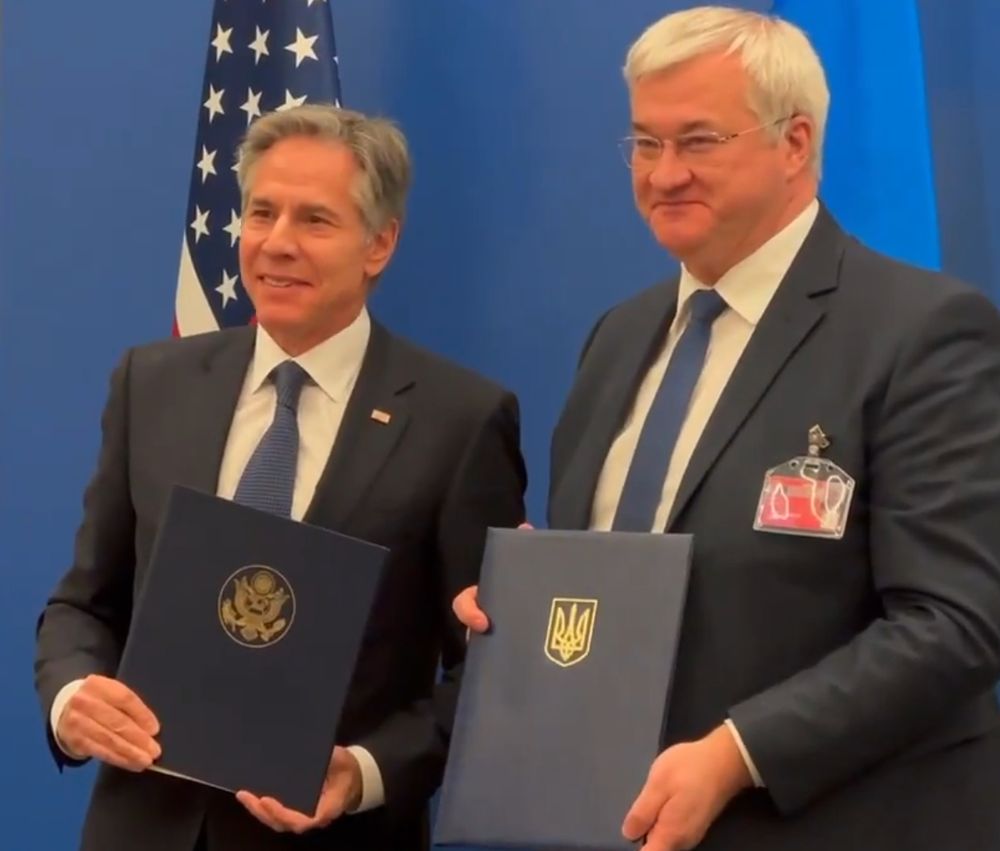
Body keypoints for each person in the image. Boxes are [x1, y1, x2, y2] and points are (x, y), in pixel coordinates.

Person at [454, 7, 1000, 850]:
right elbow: (622, 595)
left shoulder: (920, 331)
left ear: (794, 143)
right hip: (621, 822)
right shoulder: (618, 337)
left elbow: (954, 622)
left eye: (699, 141)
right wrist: (528, 608)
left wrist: (739, 753)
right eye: (645, 142)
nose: (664, 173)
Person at [34, 104, 526, 851]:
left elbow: (488, 670)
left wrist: (365, 771)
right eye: (262, 213)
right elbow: (83, 603)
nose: (277, 243)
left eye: (315, 220)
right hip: (142, 826)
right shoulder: (152, 383)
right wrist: (73, 696)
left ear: (380, 243)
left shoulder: (460, 419)